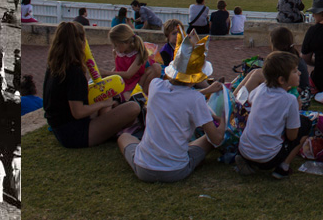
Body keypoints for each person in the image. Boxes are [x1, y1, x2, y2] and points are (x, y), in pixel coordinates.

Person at [116, 29, 226, 182]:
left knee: (125, 137)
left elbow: (177, 98)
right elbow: (216, 138)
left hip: (143, 169)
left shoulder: (155, 85)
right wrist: (224, 120)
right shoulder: (194, 99)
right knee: (207, 140)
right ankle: (179, 152)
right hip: (175, 170)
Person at [42, 22, 140, 148]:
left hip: (61, 129)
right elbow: (78, 112)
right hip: (74, 134)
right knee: (133, 108)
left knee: (107, 95)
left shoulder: (55, 65)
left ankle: (109, 128)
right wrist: (104, 104)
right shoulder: (73, 71)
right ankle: (111, 131)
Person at [236, 52, 311, 179]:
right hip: (268, 159)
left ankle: (247, 161)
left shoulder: (261, 89)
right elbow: (292, 136)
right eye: (294, 71)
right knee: (305, 124)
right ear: (281, 80)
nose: (299, 73)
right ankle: (283, 168)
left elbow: (252, 99)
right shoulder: (289, 100)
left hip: (243, 150)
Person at [234, 27, 310, 99]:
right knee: (254, 72)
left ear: (274, 44)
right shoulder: (291, 55)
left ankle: (234, 101)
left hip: (298, 94)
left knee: (257, 74)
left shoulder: (285, 59)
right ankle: (234, 96)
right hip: (299, 91)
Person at [103, 24, 162, 96]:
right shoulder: (116, 52)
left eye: (116, 45)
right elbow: (117, 69)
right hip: (121, 81)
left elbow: (129, 74)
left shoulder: (138, 53)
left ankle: (142, 95)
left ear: (126, 43)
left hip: (136, 82)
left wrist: (105, 72)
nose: (115, 48)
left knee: (156, 67)